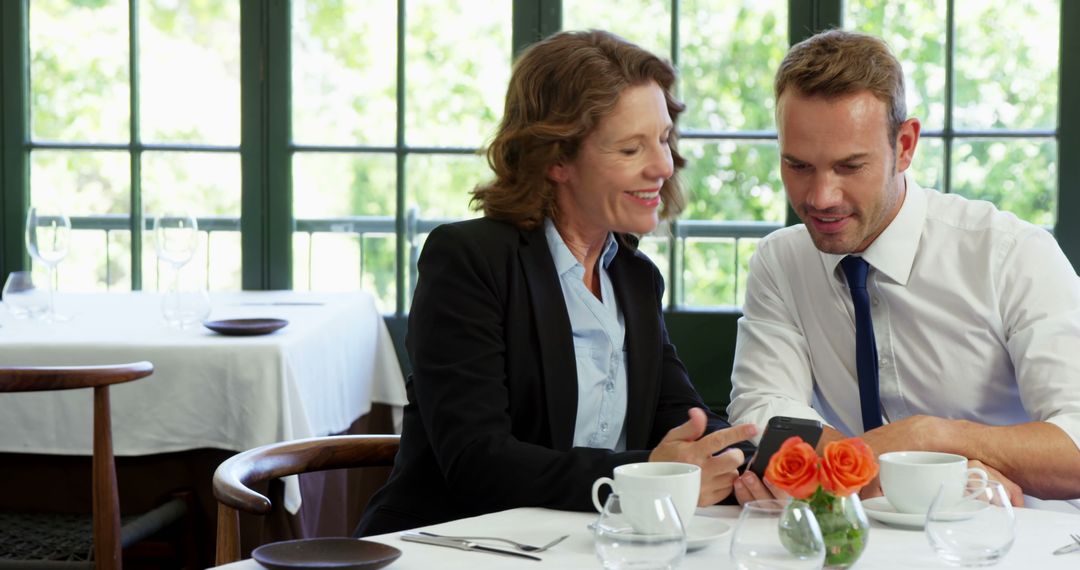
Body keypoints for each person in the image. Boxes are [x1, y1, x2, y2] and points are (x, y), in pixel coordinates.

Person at [355, 29, 759, 536]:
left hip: (586, 545)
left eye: (662, 139)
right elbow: (479, 461)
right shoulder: (467, 261)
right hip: (455, 543)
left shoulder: (633, 277)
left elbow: (682, 414)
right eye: (631, 149)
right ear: (556, 160)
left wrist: (738, 453)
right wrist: (647, 478)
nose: (662, 165)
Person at [727, 29, 1080, 505]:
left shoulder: (1013, 255)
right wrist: (921, 473)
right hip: (854, 542)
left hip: (1009, 541)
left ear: (906, 145)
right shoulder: (781, 261)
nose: (820, 198)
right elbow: (764, 412)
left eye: (850, 167)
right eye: (799, 166)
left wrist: (937, 438)